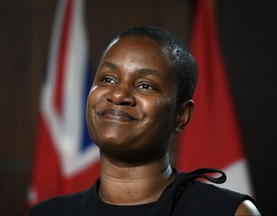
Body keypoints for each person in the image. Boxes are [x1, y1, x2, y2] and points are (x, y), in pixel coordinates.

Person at [28, 25, 261, 215]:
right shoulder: (45, 214)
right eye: (108, 79)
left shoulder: (229, 212)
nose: (118, 95)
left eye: (145, 85)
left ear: (182, 115)